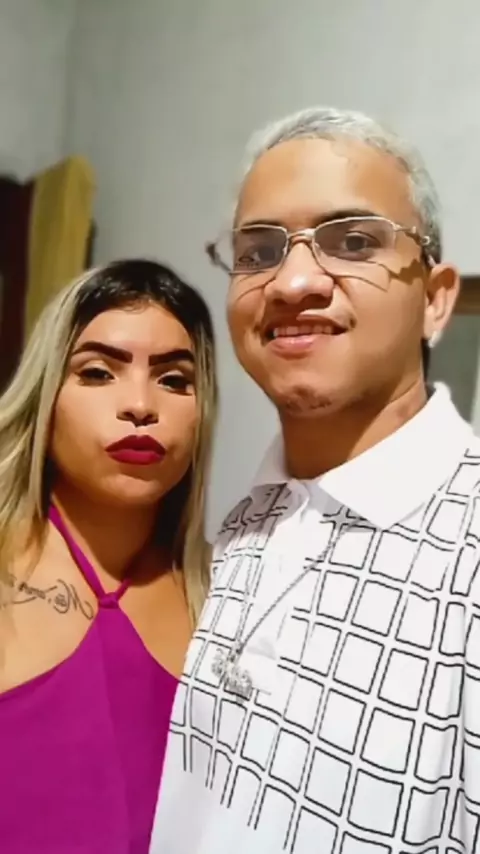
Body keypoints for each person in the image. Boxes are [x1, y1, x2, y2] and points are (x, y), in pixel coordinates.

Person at [150, 107, 480, 854]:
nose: (293, 281)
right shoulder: (246, 524)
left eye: (353, 241)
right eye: (259, 251)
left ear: (435, 299)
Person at [0, 258, 216, 853]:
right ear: (46, 393)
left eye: (174, 380)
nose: (140, 405)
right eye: (98, 373)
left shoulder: (227, 599)